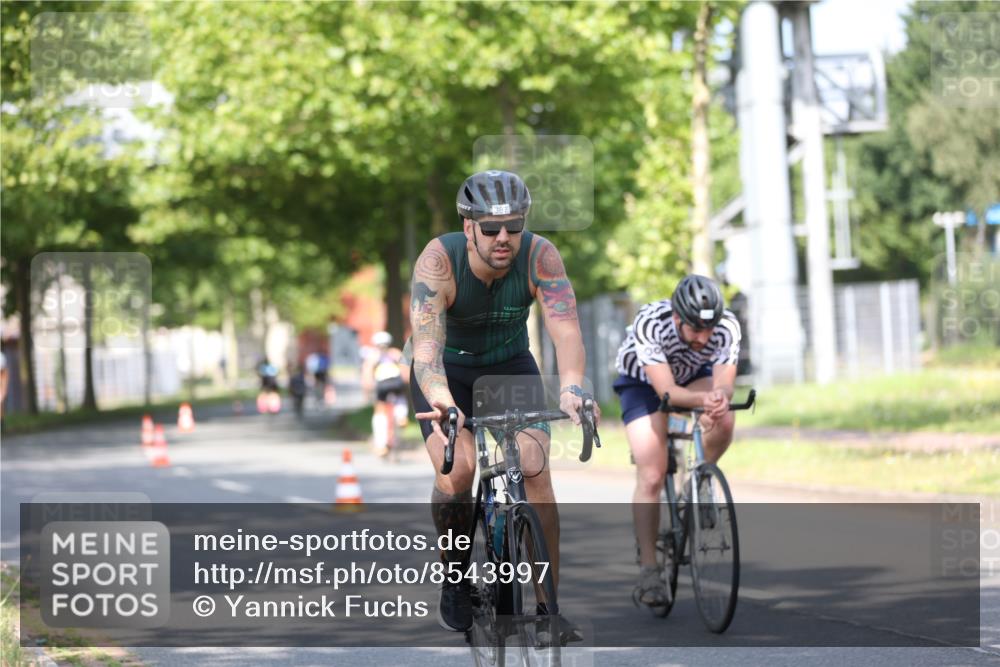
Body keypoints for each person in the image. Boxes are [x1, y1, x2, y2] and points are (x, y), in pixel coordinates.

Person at [409, 169, 598, 640]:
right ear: (467, 225)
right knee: (458, 472)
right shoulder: (439, 261)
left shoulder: (540, 256)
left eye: (513, 227)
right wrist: (441, 401)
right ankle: (455, 578)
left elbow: (566, 329)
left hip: (509, 365)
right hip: (446, 373)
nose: (503, 238)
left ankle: (548, 607)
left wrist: (572, 387)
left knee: (535, 469)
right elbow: (426, 349)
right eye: (491, 229)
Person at [613, 274, 742, 609]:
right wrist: (705, 401)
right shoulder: (651, 323)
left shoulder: (727, 327)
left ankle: (698, 481)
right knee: (652, 474)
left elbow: (724, 385)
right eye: (695, 329)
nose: (703, 337)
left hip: (694, 378)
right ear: (676, 318)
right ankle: (649, 572)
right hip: (644, 384)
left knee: (725, 418)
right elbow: (666, 392)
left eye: (708, 329)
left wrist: (718, 400)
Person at [361, 331, 409, 459]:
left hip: (381, 387)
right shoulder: (395, 353)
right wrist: (405, 382)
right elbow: (405, 373)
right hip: (396, 384)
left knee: (380, 412)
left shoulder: (373, 356)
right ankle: (401, 415)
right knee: (399, 399)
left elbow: (367, 375)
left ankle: (381, 445)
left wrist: (368, 389)